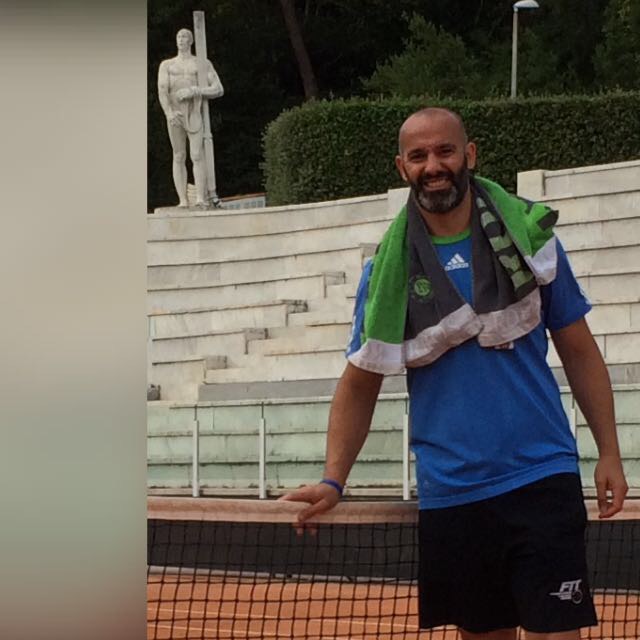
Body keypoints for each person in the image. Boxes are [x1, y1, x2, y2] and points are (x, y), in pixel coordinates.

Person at [282, 107, 628, 640]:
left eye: (445, 151)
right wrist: (333, 480)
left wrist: (609, 451)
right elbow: (359, 384)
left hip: (542, 478)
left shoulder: (532, 243)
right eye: (418, 156)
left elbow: (579, 351)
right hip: (453, 493)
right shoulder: (384, 273)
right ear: (402, 167)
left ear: (469, 155)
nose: (433, 165)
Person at [157, 28, 223, 208]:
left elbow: (218, 88)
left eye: (185, 36)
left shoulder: (201, 64)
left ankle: (200, 198)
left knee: (197, 154)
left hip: (194, 112)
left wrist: (195, 90)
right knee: (178, 155)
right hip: (175, 113)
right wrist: (169, 112)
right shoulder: (167, 65)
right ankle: (183, 200)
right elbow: (162, 91)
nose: (181, 39)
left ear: (191, 40)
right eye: (178, 36)